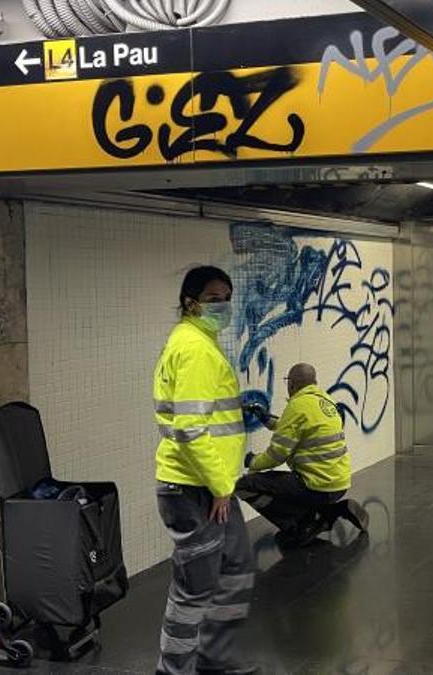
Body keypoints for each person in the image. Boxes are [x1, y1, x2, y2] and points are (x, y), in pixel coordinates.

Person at [152, 266, 256, 675]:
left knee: (236, 567)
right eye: (214, 298)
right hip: (194, 487)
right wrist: (220, 487)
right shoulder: (194, 348)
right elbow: (190, 428)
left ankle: (214, 660)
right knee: (195, 586)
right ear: (190, 302)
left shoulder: (201, 341)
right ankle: (173, 670)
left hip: (212, 486)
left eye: (227, 296)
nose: (223, 305)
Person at [237, 363, 368, 547]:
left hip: (317, 486)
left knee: (245, 485)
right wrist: (265, 418)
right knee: (294, 486)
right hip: (339, 483)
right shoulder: (325, 401)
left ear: (292, 384)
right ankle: (333, 511)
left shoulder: (297, 406)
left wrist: (252, 461)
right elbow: (293, 426)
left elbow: (277, 455)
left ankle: (302, 524)